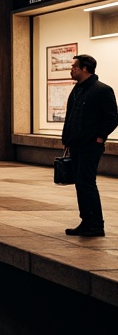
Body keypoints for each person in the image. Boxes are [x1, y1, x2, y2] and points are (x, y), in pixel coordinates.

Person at [62, 54, 118, 237]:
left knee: (86, 183)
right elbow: (71, 117)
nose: (71, 69)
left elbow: (112, 117)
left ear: (84, 68)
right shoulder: (77, 90)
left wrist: (100, 137)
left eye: (74, 66)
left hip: (90, 146)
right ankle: (87, 221)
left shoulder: (102, 90)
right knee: (81, 183)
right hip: (76, 145)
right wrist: (68, 141)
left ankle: (95, 224)